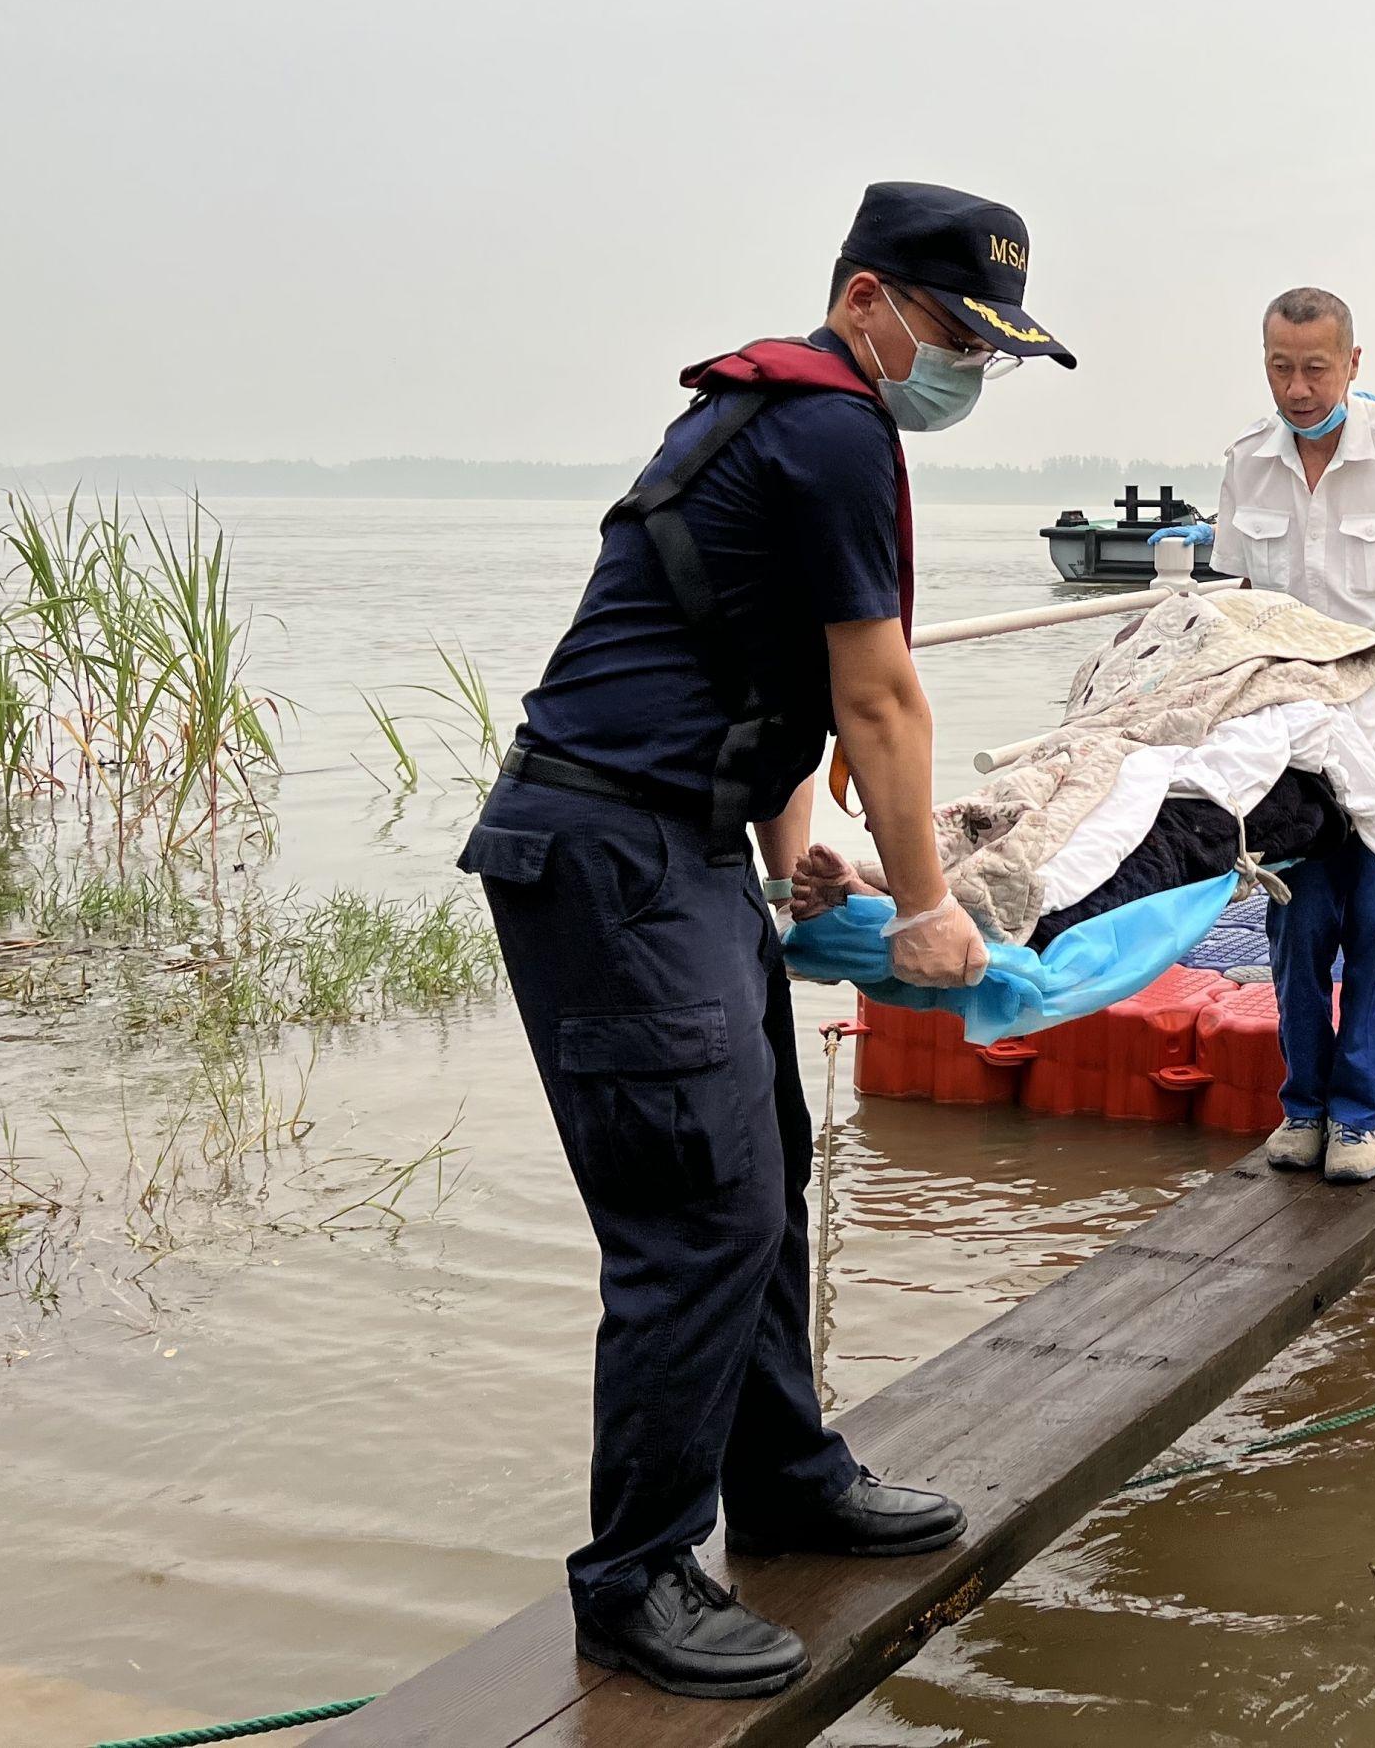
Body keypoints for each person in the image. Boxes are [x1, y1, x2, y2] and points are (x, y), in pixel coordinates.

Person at [457, 181, 1071, 1699]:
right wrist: (931, 908)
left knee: (763, 1177)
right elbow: (880, 698)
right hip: (607, 852)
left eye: (991, 351)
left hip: (672, 843)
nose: (966, 371)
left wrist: (793, 842)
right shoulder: (830, 427)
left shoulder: (794, 423)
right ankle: (638, 1576)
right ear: (866, 300)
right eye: (953, 334)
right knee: (694, 1215)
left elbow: (757, 655)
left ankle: (786, 1475)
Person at [1210, 288, 1375, 1182]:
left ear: (1353, 364)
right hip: (1286, 735)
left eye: (1316, 367)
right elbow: (1237, 610)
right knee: (1298, 925)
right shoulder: (1247, 460)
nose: (1298, 386)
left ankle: (1359, 1117)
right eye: (1280, 366)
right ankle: (1304, 1107)